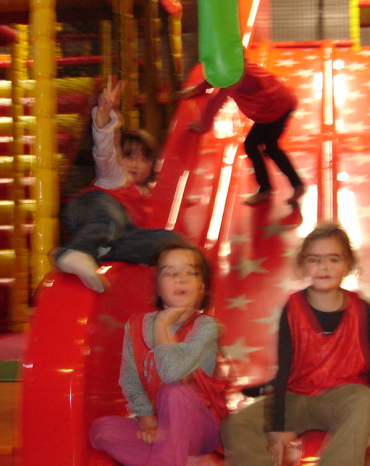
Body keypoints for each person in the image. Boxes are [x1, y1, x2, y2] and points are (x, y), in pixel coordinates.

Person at [220, 221, 370, 466]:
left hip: (341, 398)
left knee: (366, 399)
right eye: (314, 260)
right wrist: (277, 426)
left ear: (347, 264)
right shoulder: (292, 308)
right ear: (303, 265)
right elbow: (283, 370)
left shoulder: (362, 309)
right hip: (296, 397)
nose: (324, 267)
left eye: (334, 259)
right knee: (236, 424)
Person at [89, 241, 228, 466]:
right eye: (170, 273)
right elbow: (131, 380)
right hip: (161, 425)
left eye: (190, 273)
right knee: (102, 430)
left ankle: (173, 456)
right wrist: (146, 420)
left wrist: (162, 324)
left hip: (202, 429)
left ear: (202, 286)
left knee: (173, 392)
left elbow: (171, 374)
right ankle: (187, 460)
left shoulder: (206, 327)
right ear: (158, 288)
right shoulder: (137, 326)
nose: (180, 279)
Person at [52, 78, 180, 293]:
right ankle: (74, 252)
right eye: (129, 157)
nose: (136, 164)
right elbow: (106, 152)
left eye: (143, 159)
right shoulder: (115, 177)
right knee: (112, 215)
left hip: (114, 238)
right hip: (89, 211)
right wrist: (105, 119)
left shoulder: (147, 197)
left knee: (170, 240)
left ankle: (96, 251)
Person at [180, 61, 305, 206]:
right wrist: (197, 88)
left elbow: (217, 100)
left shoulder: (232, 78)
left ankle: (266, 190)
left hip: (274, 109)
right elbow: (216, 78)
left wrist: (203, 125)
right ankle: (295, 185)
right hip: (284, 100)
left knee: (252, 146)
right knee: (270, 147)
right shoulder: (236, 65)